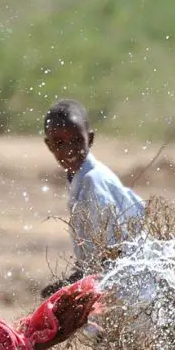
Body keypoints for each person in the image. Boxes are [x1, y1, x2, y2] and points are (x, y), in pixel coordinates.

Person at [41, 99, 146, 297]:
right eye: (59, 143)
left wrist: (71, 284)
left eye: (76, 140)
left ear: (90, 139)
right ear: (49, 145)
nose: (69, 150)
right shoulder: (79, 176)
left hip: (128, 288)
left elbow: (109, 254)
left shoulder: (92, 182)